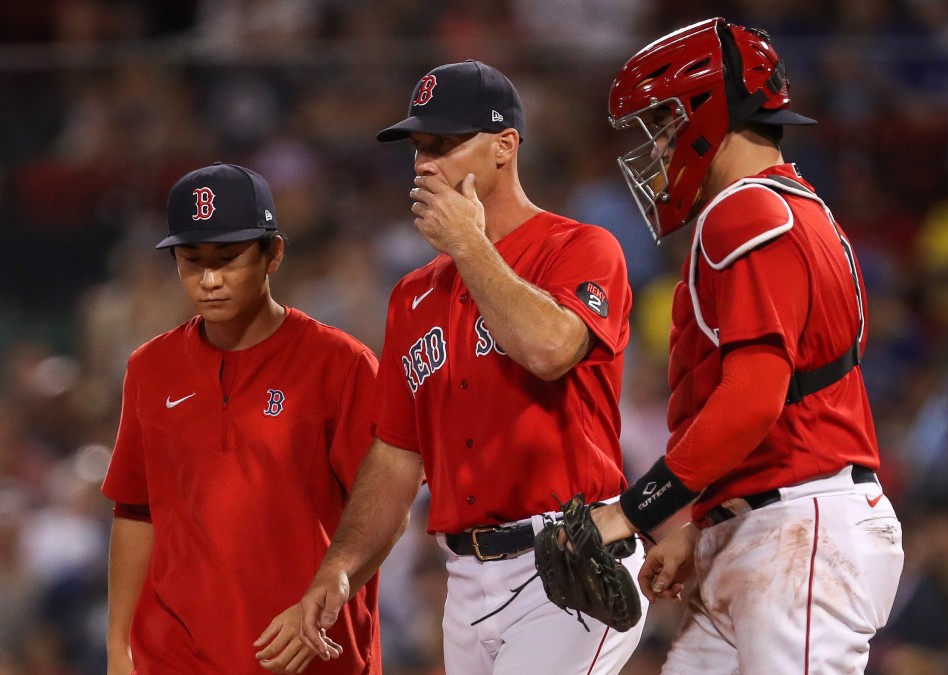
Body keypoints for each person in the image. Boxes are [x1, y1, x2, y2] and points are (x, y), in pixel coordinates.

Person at [284, 60, 646, 674]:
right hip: (464, 578)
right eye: (420, 147)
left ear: (506, 146)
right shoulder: (412, 296)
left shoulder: (579, 247)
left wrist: (470, 246)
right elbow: (397, 455)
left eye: (446, 145)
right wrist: (340, 567)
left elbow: (551, 350)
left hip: (566, 556)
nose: (426, 163)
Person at [587, 18, 906, 674]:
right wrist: (704, 523)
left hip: (801, 528)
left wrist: (637, 512)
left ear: (708, 115)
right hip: (774, 520)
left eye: (666, 125)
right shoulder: (797, 207)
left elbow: (754, 398)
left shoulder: (747, 212)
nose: (660, 149)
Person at [102, 162, 382, 674]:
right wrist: (118, 646)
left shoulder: (339, 363)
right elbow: (135, 511)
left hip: (303, 651)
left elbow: (386, 503)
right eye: (191, 260)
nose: (209, 280)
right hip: (175, 655)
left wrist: (329, 589)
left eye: (228, 259)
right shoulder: (150, 367)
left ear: (273, 253)